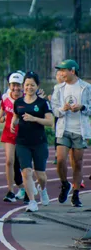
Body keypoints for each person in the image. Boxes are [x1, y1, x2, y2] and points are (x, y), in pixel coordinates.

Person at [11, 72, 53, 212]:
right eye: (27, 85)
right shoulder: (19, 102)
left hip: (39, 142)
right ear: (23, 86)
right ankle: (32, 202)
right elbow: (16, 116)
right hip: (22, 142)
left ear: (37, 86)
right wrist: (13, 123)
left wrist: (34, 118)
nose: (29, 87)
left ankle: (43, 189)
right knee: (26, 171)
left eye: (32, 85)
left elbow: (50, 122)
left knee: (40, 174)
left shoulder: (42, 103)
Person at [51, 59, 89, 207]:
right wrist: (63, 109)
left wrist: (82, 107)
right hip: (63, 128)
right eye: (60, 70)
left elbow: (90, 107)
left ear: (72, 71)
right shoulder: (58, 88)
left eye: (63, 70)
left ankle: (76, 194)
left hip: (80, 130)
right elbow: (54, 109)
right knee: (60, 159)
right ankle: (64, 183)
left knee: (77, 163)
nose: (61, 73)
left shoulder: (86, 88)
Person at [0, 72, 25, 203]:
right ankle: (10, 191)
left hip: (24, 134)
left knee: (23, 163)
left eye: (18, 85)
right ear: (9, 85)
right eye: (13, 85)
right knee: (9, 161)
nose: (16, 88)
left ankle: (26, 189)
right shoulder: (5, 97)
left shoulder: (28, 98)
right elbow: (2, 109)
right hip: (9, 132)